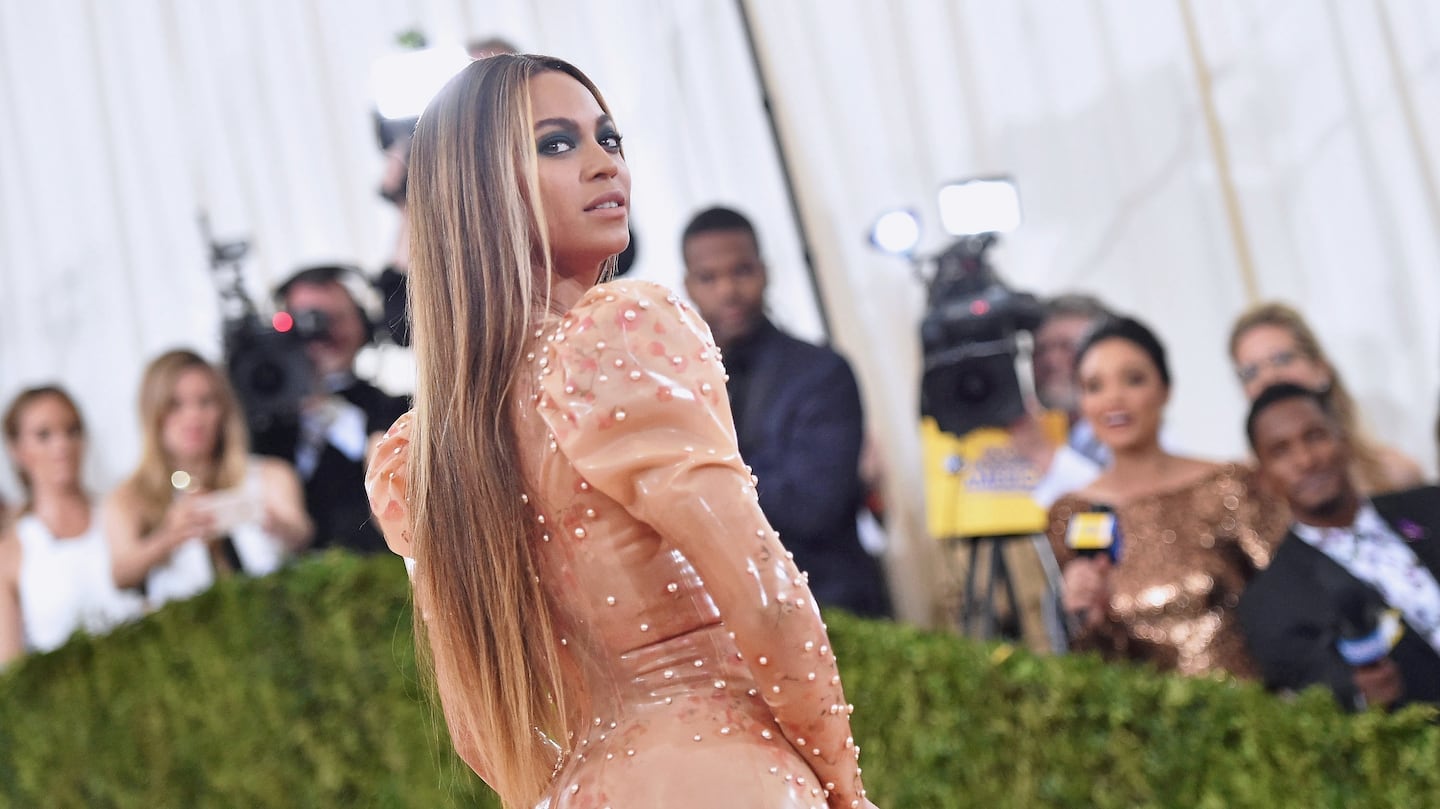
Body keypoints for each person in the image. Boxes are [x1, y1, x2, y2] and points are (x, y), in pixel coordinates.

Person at [365, 54, 873, 809]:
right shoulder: (616, 334)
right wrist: (844, 788)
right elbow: (766, 599)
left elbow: (476, 723)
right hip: (729, 775)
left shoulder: (421, 455)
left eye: (610, 137)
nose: (605, 163)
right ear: (482, 190)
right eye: (557, 143)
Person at [1046, 316, 1286, 677]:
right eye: (1095, 386)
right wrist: (1086, 614)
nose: (1114, 399)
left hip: (1256, 710)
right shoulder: (1073, 513)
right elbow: (1088, 658)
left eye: (1133, 379)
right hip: (1147, 722)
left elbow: (1290, 598)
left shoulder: (1229, 485)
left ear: (1165, 389)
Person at [679, 205, 889, 618]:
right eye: (709, 277)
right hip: (728, 616)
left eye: (741, 271)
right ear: (688, 285)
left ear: (765, 271)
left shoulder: (821, 372)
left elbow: (814, 507)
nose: (728, 290)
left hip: (831, 607)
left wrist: (703, 475)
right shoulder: (679, 383)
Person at [1239, 383, 1440, 710]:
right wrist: (1360, 695)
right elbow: (1319, 694)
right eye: (1281, 451)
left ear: (1343, 441)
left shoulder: (1431, 505)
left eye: (1315, 436)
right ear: (1263, 477)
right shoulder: (1271, 603)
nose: (1305, 460)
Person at [106, 350, 312, 607]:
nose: (193, 417)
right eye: (175, 405)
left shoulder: (269, 475)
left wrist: (268, 520)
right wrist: (170, 536)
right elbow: (121, 574)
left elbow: (303, 536)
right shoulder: (130, 497)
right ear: (153, 413)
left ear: (224, 409)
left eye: (205, 402)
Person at [262, 266, 408, 554]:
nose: (324, 334)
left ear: (363, 323)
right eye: (308, 322)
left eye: (337, 318)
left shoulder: (393, 409)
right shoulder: (268, 428)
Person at [0, 387, 143, 664]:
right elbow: (11, 671)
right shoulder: (10, 553)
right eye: (44, 435)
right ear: (17, 450)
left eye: (72, 430)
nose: (62, 445)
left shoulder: (124, 514)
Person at [1229, 302, 1424, 495]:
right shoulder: (1242, 495)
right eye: (1250, 372)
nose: (1269, 378)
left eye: (1282, 359)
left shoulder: (1395, 474)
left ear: (1321, 368)